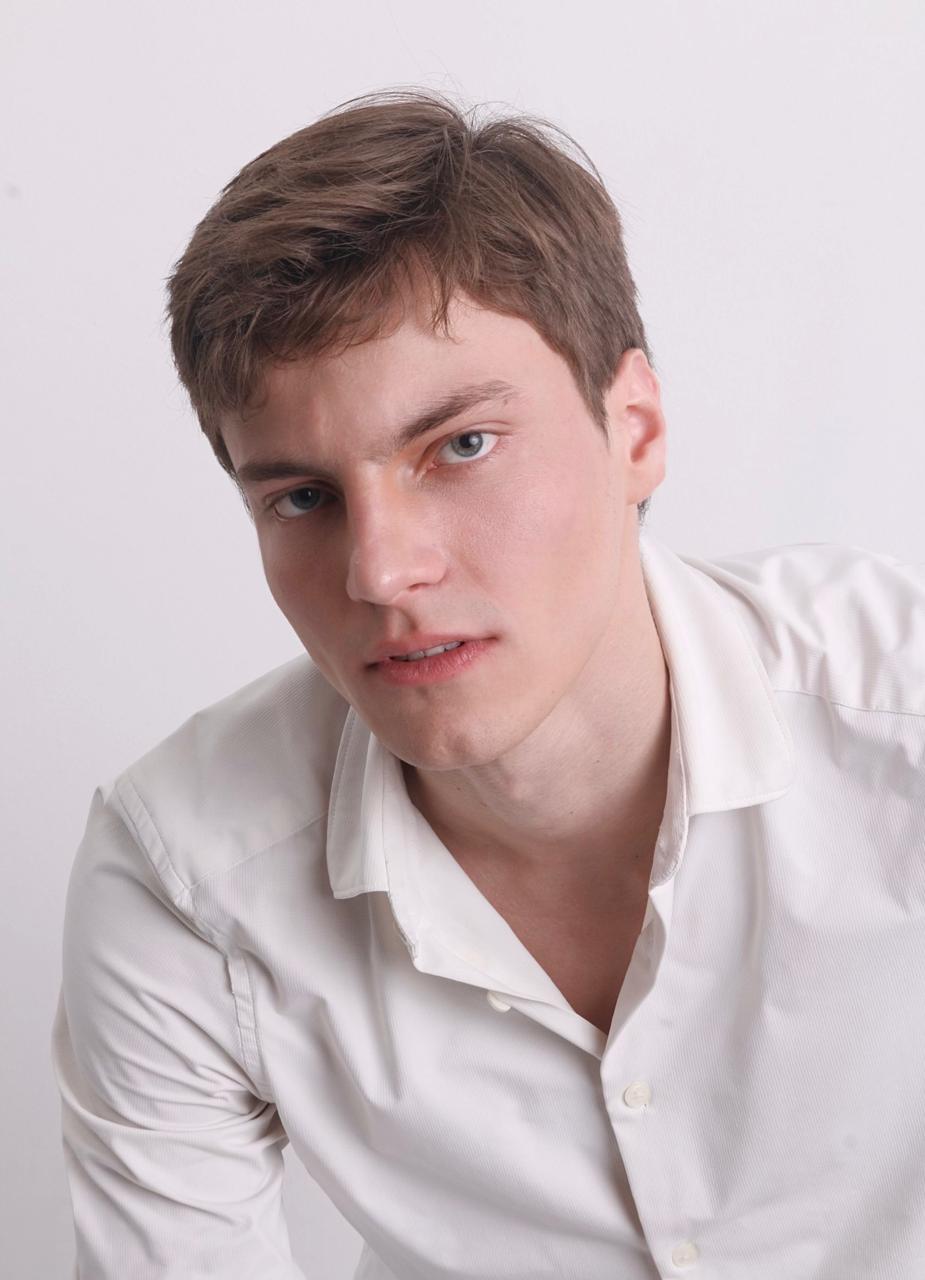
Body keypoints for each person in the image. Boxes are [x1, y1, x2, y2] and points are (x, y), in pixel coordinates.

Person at [51, 88, 925, 1279]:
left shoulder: (898, 716)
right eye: (302, 496)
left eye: (460, 445)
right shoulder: (187, 877)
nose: (380, 570)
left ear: (635, 429)